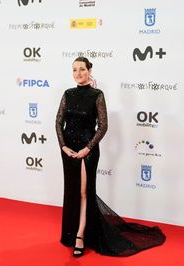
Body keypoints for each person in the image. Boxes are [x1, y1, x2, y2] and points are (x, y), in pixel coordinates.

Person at [55, 57, 165, 257]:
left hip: (87, 151)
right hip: (68, 151)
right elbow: (58, 121)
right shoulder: (67, 94)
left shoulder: (97, 95)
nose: (78, 73)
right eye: (74, 70)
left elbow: (103, 126)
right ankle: (71, 232)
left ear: (90, 70)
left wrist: (88, 148)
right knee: (71, 191)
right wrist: (63, 146)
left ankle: (80, 235)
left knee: (83, 192)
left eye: (82, 69)